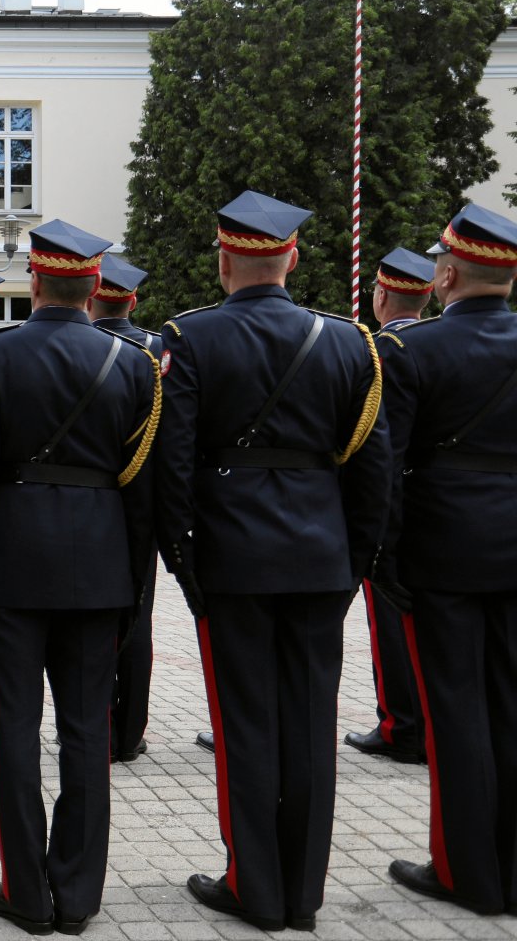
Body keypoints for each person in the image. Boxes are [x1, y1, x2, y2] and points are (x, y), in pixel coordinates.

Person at [154, 191, 387, 932]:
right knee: (313, 726)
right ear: (292, 258)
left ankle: (253, 885)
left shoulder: (190, 339)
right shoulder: (351, 341)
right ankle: (302, 894)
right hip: (320, 558)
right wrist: (354, 561)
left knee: (247, 724)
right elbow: (372, 469)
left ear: (224, 260)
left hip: (232, 561)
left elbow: (175, 463)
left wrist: (185, 563)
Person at [0, 222, 159, 934]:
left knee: (12, 730)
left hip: (12, 566)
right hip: (99, 565)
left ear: (34, 284)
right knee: (86, 734)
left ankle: (25, 889)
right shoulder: (135, 365)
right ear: (95, 288)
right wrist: (134, 579)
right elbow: (141, 491)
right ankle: (77, 893)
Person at [380, 206, 517, 915]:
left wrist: (386, 557)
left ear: (447, 273)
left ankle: (466, 872)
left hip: (444, 554)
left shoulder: (413, 350)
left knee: (455, 716)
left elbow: (388, 466)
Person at [343, 248, 434, 766]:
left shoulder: (387, 349)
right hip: (460, 513)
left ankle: (402, 725)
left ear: (380, 296)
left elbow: (380, 447)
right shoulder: (439, 340)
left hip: (400, 510)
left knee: (393, 625)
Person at [86, 254, 161, 765]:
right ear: (133, 300)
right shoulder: (157, 349)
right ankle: (127, 731)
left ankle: (92, 723)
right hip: (142, 502)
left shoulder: (88, 347)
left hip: (87, 499)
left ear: (92, 297)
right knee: (140, 618)